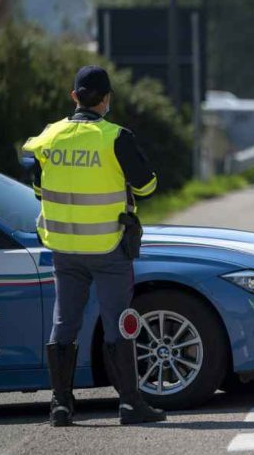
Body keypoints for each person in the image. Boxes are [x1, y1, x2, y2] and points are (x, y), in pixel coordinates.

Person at [22, 66, 166, 426]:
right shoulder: (115, 137)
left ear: (74, 97)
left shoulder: (49, 137)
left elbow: (40, 190)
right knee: (119, 322)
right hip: (107, 247)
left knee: (64, 321)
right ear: (107, 98)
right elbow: (147, 186)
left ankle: (60, 405)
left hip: (63, 248)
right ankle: (131, 404)